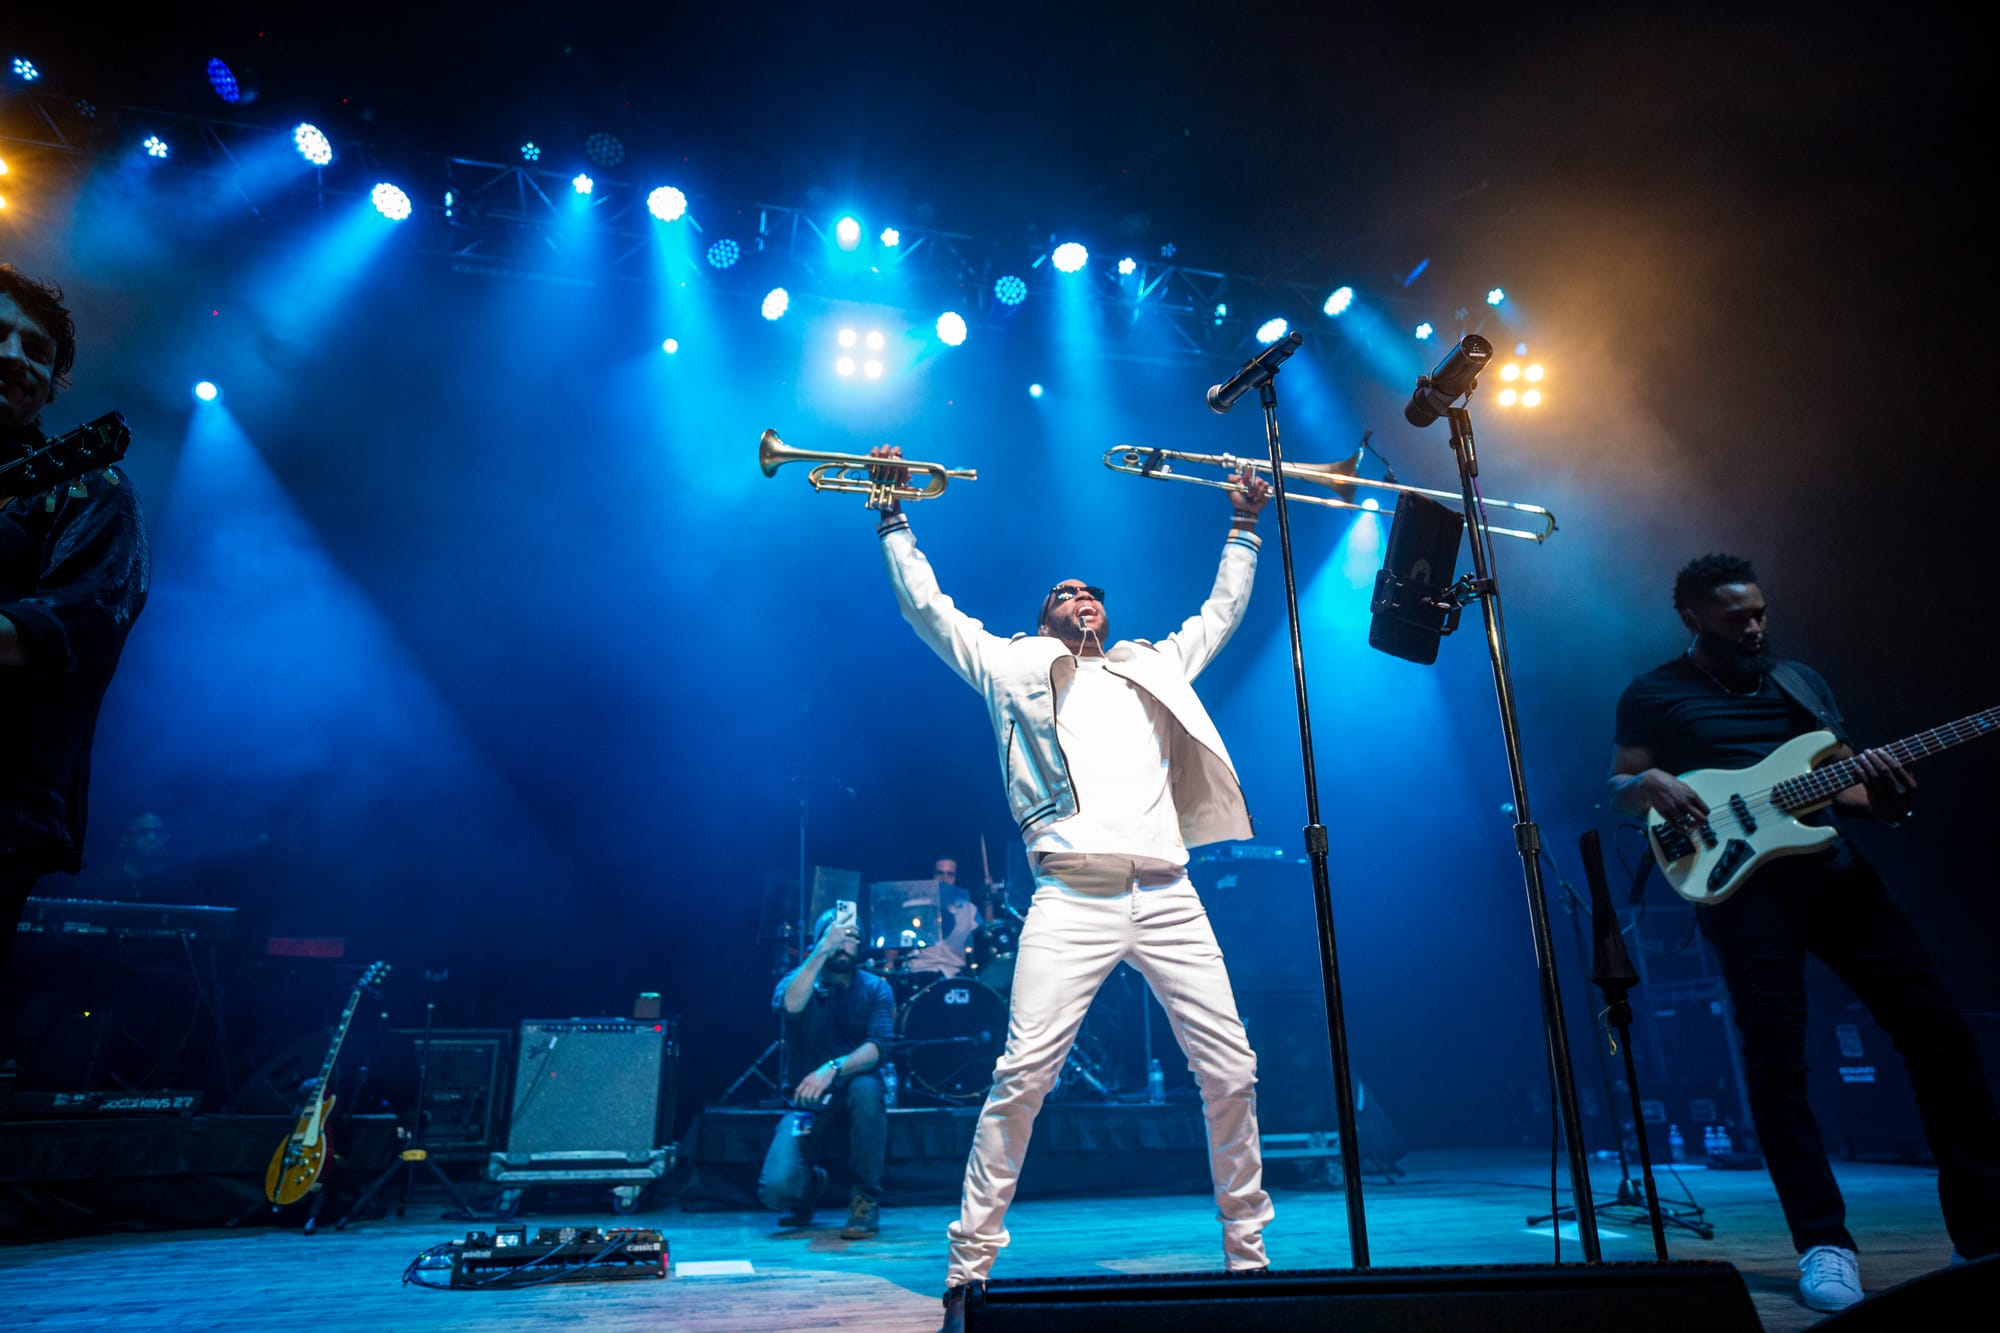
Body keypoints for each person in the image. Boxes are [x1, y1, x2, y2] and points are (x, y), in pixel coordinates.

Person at [866, 446, 1275, 1330]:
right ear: (1044, 615)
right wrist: (894, 516)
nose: (1082, 596)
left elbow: (1222, 612)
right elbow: (926, 608)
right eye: (1063, 592)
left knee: (1231, 1069)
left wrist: (1243, 525)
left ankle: (1250, 1260)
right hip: (1071, 896)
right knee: (1022, 1075)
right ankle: (967, 1269)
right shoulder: (1007, 665)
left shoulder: (1152, 664)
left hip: (1170, 892)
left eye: (1091, 590)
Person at [1608, 552, 2000, 1313]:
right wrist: (1644, 782)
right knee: (1777, 1063)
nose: (1753, 626)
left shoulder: (1800, 680)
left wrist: (1886, 799)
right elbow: (1620, 788)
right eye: (1734, 617)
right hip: (1741, 888)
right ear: (1691, 616)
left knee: (1941, 1034)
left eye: (1759, 611)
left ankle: (1983, 1234)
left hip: (1833, 872)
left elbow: (1845, 779)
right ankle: (1825, 1243)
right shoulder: (1653, 692)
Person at [2, 266, 149, 970]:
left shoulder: (84, 483)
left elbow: (83, 620)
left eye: (36, 349)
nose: (15, 356)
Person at [757, 905, 895, 1239]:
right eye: (837, 935)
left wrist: (832, 1068)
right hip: (809, 1099)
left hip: (854, 1089)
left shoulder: (876, 988)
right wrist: (822, 950)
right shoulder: (798, 981)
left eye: (852, 937)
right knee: (775, 1191)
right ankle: (808, 1186)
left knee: (867, 1089)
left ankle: (865, 1199)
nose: (845, 943)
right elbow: (790, 1006)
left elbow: (878, 1046)